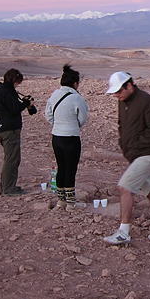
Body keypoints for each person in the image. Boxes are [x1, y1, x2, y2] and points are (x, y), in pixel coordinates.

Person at [102, 71, 150, 244]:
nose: (117, 96)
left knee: (124, 188)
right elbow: (122, 125)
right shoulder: (123, 101)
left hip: (147, 153)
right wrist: (125, 145)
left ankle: (123, 232)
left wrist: (136, 145)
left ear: (129, 85)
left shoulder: (145, 100)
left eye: (119, 91)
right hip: (136, 155)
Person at [44, 64, 89, 210]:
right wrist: (72, 125)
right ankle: (70, 203)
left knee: (61, 167)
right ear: (75, 83)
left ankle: (60, 201)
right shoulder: (77, 98)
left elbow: (48, 115)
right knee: (71, 169)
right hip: (71, 137)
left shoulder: (54, 95)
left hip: (56, 136)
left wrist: (58, 124)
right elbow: (82, 117)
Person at [0, 68, 36, 196]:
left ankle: (6, 187)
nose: (18, 85)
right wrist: (26, 103)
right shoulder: (7, 92)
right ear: (14, 80)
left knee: (11, 158)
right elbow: (15, 109)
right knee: (12, 159)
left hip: (2, 126)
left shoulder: (0, 90)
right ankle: (8, 189)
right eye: (17, 82)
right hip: (9, 128)